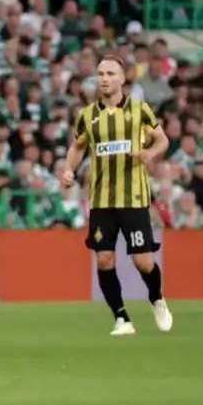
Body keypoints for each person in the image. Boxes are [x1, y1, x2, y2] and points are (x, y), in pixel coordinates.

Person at [60, 55, 173, 336]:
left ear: (123, 79)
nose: (104, 78)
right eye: (100, 73)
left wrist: (148, 153)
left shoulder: (139, 110)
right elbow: (77, 146)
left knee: (143, 261)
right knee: (104, 259)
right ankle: (122, 318)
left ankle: (157, 298)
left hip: (133, 198)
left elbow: (163, 140)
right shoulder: (87, 115)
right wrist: (68, 169)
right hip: (101, 200)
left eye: (110, 73)